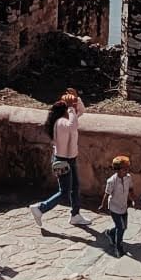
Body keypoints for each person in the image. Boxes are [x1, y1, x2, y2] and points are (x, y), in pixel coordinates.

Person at [32, 89, 92, 229]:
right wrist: (71, 107)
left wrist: (76, 99)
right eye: (70, 108)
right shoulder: (61, 123)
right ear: (65, 111)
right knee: (64, 191)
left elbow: (81, 111)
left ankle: (75, 215)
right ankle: (41, 208)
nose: (74, 109)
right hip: (62, 160)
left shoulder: (68, 118)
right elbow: (73, 126)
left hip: (70, 159)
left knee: (75, 187)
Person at [103, 155, 134, 255]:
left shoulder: (128, 178)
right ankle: (118, 247)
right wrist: (102, 205)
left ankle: (110, 233)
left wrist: (132, 199)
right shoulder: (111, 181)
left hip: (123, 207)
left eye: (127, 168)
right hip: (114, 208)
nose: (126, 171)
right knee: (120, 227)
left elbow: (130, 189)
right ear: (117, 170)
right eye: (124, 169)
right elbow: (107, 193)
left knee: (124, 227)